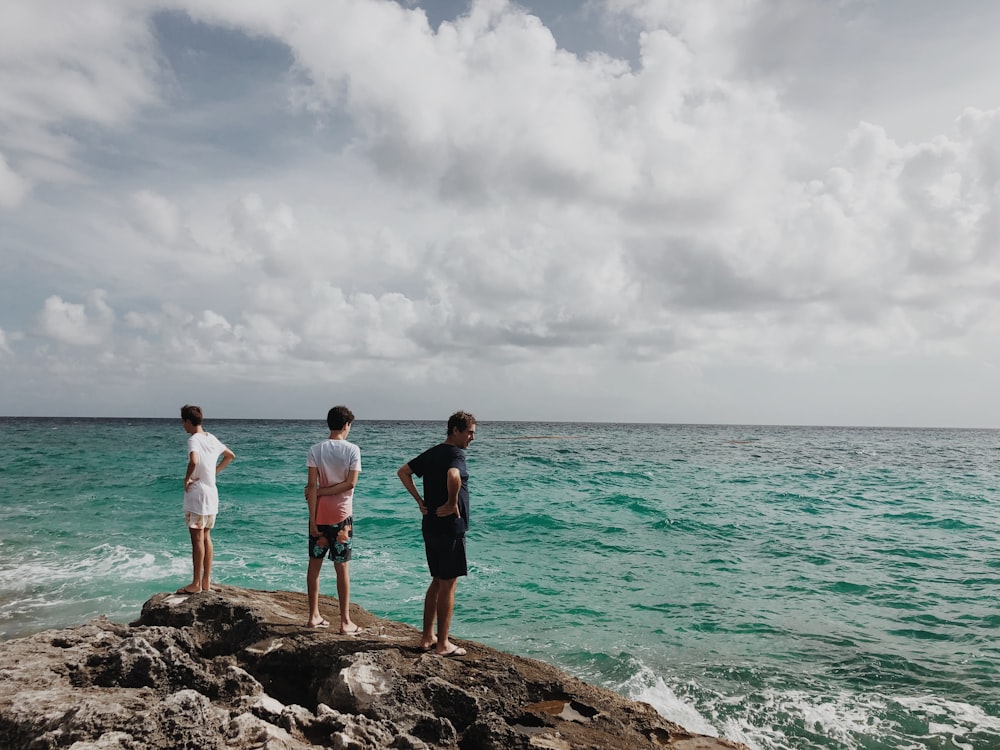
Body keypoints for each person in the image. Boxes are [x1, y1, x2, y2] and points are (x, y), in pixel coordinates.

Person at [397, 410, 477, 657]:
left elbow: (403, 472)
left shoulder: (432, 453)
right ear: (456, 430)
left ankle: (426, 637)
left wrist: (420, 502)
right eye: (470, 432)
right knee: (448, 584)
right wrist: (453, 502)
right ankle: (443, 644)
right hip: (449, 526)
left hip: (430, 523)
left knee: (436, 580)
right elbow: (453, 475)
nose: (472, 438)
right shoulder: (455, 454)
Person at [305, 405, 362, 633]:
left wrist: (312, 518)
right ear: (347, 425)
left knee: (314, 568)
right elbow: (350, 483)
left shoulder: (315, 449)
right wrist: (321, 492)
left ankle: (313, 616)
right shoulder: (352, 450)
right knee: (342, 569)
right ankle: (345, 621)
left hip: (318, 515)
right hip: (342, 517)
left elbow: (311, 487)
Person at [179, 404, 235, 594]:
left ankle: (195, 584)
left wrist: (187, 478)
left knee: (196, 539)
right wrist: (214, 472)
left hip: (198, 495)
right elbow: (230, 456)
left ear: (187, 421)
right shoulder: (211, 438)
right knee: (207, 536)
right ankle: (206, 582)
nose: (183, 426)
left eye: (183, 422)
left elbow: (194, 460)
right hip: (212, 493)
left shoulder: (193, 439)